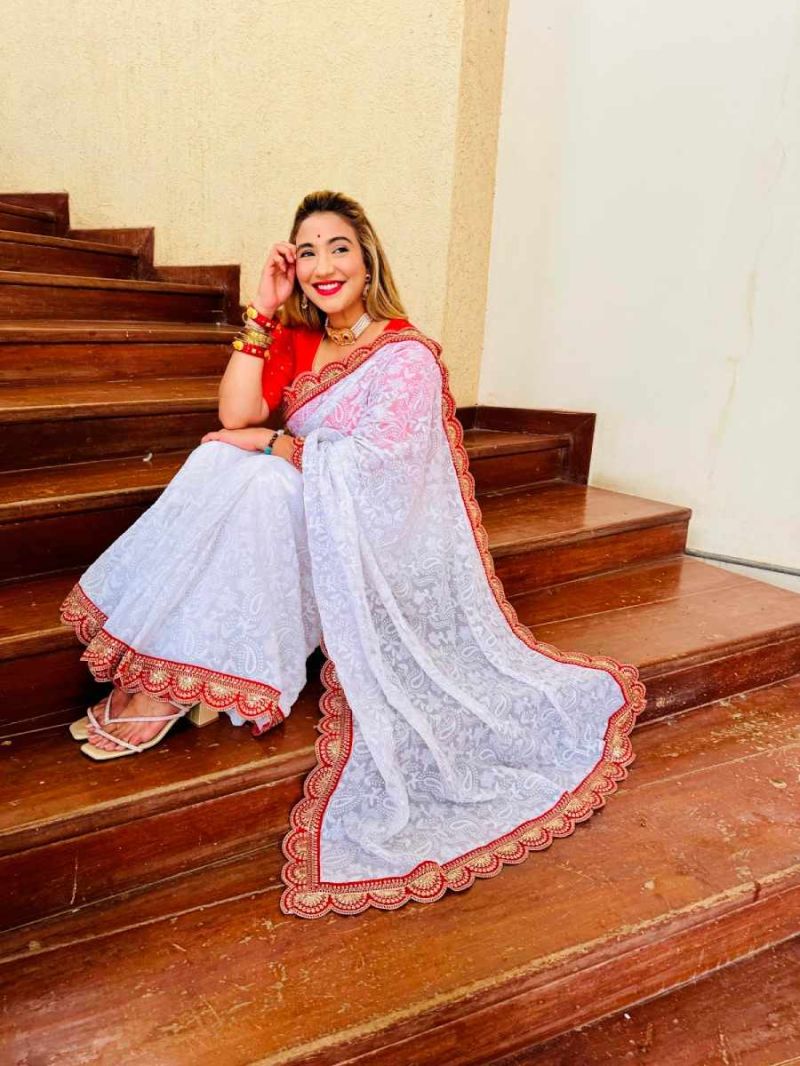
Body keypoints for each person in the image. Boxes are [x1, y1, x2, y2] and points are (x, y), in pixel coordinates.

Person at [60, 190, 647, 919]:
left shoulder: (405, 356)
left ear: (367, 261)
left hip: (366, 541)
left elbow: (380, 473)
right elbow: (234, 415)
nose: (322, 265)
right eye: (306, 253)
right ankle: (177, 676)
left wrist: (276, 443)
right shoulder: (300, 340)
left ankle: (171, 685)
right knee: (222, 462)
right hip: (304, 522)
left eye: (338, 248)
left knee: (262, 478)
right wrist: (263, 312)